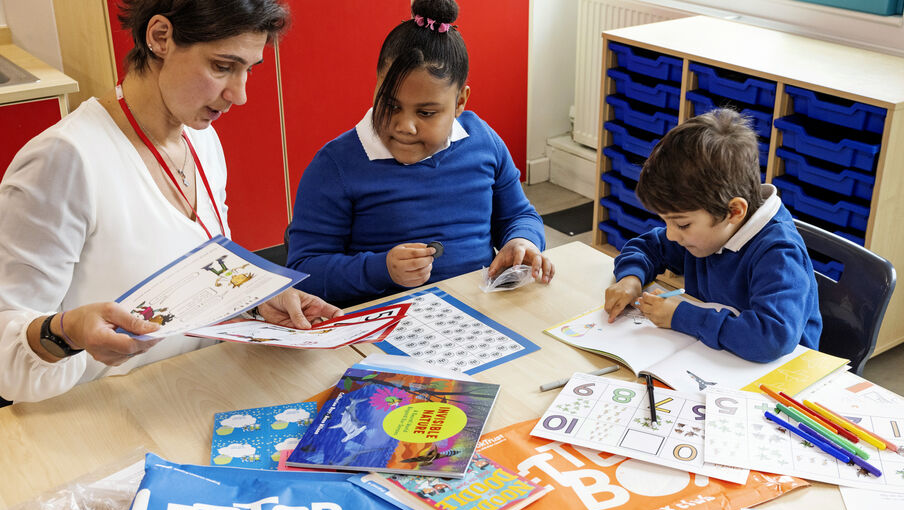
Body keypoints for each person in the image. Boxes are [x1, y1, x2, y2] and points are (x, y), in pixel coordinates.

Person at [0, 0, 340, 404]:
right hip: (99, 414)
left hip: (191, 391)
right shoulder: (65, 159)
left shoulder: (200, 139)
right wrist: (69, 330)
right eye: (222, 66)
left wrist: (254, 301)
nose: (240, 94)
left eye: (248, 69)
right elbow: (7, 356)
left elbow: (199, 277)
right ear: (160, 37)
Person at [286, 0, 554, 306]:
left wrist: (522, 241)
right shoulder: (335, 166)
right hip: (381, 326)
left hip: (478, 314)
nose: (405, 126)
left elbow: (518, 215)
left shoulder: (483, 141)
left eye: (426, 113)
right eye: (390, 105)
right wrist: (381, 269)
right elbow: (302, 273)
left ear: (460, 102)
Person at [604, 109, 822, 363]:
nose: (672, 235)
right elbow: (647, 248)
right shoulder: (708, 230)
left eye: (682, 224)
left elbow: (770, 338)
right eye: (667, 222)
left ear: (734, 211)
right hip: (714, 359)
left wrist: (682, 317)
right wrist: (630, 278)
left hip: (782, 379)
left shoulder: (779, 254)